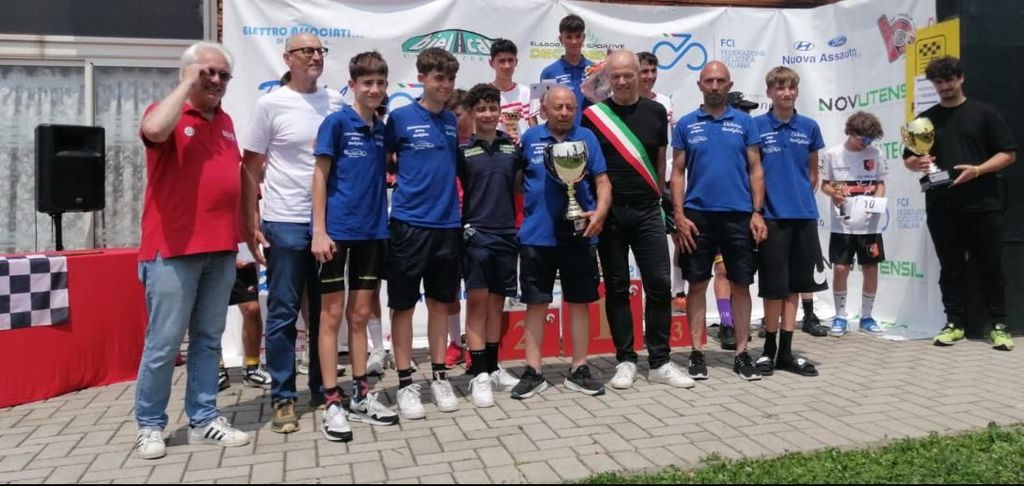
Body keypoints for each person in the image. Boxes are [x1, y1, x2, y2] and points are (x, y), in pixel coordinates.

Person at [133, 41, 249, 460]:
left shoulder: (227, 121)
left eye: (223, 75)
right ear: (188, 74)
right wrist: (185, 85)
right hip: (172, 251)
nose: (216, 81)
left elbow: (232, 182)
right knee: (164, 343)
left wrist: (243, 237)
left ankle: (203, 418)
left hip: (220, 250)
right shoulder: (166, 112)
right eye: (207, 73)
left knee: (208, 340)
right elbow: (153, 132)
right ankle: (150, 425)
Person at [241, 33, 344, 433]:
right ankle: (283, 397)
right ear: (287, 58)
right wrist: (251, 218)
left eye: (319, 50)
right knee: (284, 312)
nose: (315, 56)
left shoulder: (335, 102)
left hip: (329, 223)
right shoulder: (270, 104)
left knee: (323, 312)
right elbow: (250, 167)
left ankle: (322, 387)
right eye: (306, 51)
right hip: (284, 222)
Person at [580, 50, 693, 390]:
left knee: (659, 284)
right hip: (611, 214)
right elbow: (590, 168)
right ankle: (625, 359)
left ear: (639, 74)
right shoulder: (593, 116)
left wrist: (659, 200)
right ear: (608, 79)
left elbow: (660, 162)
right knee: (616, 287)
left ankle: (659, 361)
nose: (622, 81)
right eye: (615, 76)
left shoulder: (656, 112)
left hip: (647, 211)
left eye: (628, 74)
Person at [312, 51, 400, 442]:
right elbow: (319, 176)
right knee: (331, 316)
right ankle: (332, 401)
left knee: (361, 315)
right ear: (352, 85)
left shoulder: (383, 129)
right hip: (336, 233)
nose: (374, 89)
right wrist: (319, 230)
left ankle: (362, 394)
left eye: (380, 83)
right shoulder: (336, 122)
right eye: (367, 83)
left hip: (373, 233)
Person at [903, 56, 1017, 350]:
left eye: (949, 80)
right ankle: (954, 323)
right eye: (939, 82)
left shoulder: (985, 113)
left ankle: (999, 325)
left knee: (990, 266)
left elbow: (1008, 154)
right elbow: (909, 160)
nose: (944, 87)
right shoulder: (923, 121)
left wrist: (978, 170)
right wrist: (918, 162)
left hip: (983, 203)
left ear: (961, 78)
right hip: (941, 204)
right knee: (950, 267)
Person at [511, 85, 612, 399]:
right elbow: (516, 182)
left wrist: (600, 213)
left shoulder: (587, 138)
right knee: (536, 302)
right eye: (558, 107)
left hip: (578, 234)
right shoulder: (530, 138)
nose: (564, 112)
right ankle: (533, 370)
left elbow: (602, 181)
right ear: (544, 109)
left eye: (570, 107)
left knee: (579, 302)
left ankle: (579, 368)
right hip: (537, 235)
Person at [671, 61, 766, 382]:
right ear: (700, 85)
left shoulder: (744, 123)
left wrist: (757, 212)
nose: (714, 86)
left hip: (739, 215)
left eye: (720, 80)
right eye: (709, 80)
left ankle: (742, 353)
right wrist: (679, 215)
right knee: (697, 283)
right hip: (697, 216)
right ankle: (697, 352)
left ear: (729, 85)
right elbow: (677, 172)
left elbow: (756, 169)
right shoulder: (686, 124)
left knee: (740, 283)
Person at [384, 47, 464, 419]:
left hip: (447, 225)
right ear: (421, 79)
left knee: (439, 303)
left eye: (450, 78)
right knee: (402, 306)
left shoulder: (451, 121)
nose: (445, 85)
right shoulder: (400, 117)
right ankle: (404, 382)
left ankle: (439, 376)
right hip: (408, 224)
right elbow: (385, 161)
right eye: (438, 78)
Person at [753, 66, 827, 377]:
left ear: (797, 91)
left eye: (791, 88)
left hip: (804, 217)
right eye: (779, 88)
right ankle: (768, 350)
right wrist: (760, 209)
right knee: (774, 288)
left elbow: (812, 173)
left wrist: (798, 199)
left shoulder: (809, 127)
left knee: (795, 286)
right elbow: (753, 172)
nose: (786, 93)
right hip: (771, 218)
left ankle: (786, 351)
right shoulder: (756, 126)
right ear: (769, 92)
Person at [457, 83, 524, 407]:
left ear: (500, 111)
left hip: (507, 234)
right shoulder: (463, 151)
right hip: (477, 234)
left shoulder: (512, 148)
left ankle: (495, 368)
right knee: (478, 303)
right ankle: (479, 372)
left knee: (498, 303)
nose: (487, 114)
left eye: (492, 108)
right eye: (481, 109)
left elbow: (523, 186)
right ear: (472, 113)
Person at [821, 111, 887, 338]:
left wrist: (876, 200)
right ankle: (840, 316)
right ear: (851, 132)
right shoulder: (832, 154)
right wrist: (834, 193)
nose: (866, 143)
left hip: (870, 225)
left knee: (870, 267)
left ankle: (867, 317)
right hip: (842, 224)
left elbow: (880, 183)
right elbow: (825, 184)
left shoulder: (876, 153)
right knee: (841, 268)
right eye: (863, 139)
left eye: (870, 139)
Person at [638, 51, 687, 313]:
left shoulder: (665, 102)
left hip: (665, 179)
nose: (649, 76)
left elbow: (674, 141)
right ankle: (646, 295)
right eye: (644, 71)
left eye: (653, 71)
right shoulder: (625, 102)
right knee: (645, 242)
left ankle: (679, 292)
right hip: (639, 181)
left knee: (679, 236)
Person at [217, 244, 272, 391]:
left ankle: (252, 368)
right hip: (212, 253)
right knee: (212, 313)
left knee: (252, 309)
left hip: (240, 249)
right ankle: (217, 369)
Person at [540, 14, 594, 125]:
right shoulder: (549, 73)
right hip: (560, 132)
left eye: (578, 36)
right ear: (561, 39)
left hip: (590, 131)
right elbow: (543, 112)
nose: (574, 41)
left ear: (583, 37)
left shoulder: (595, 70)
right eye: (569, 37)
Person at [490, 38, 537, 141]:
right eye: (502, 61)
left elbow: (534, 130)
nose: (507, 66)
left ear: (516, 62)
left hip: (522, 148)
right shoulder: (485, 94)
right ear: (491, 63)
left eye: (510, 60)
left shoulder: (526, 92)